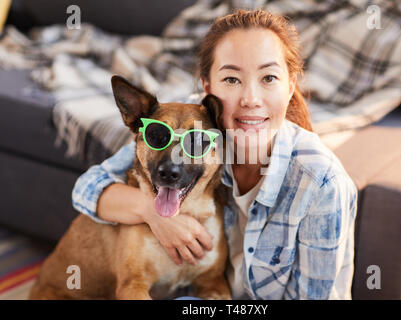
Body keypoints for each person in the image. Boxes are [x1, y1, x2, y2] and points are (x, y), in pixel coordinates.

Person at [72, 9, 358, 300]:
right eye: (232, 79)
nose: (250, 99)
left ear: (290, 87)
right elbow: (87, 187)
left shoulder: (321, 183)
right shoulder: (192, 119)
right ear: (207, 89)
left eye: (269, 77)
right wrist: (153, 212)